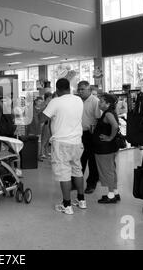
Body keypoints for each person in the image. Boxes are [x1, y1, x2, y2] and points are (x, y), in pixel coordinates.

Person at [40, 78, 85, 215]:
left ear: (57, 89)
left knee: (64, 173)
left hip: (61, 142)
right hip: (77, 141)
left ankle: (67, 205)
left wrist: (47, 105)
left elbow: (42, 118)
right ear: (69, 87)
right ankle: (81, 200)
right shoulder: (78, 100)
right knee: (77, 169)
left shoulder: (55, 101)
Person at [92, 93, 121, 204]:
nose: (99, 103)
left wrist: (110, 137)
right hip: (108, 148)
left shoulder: (108, 114)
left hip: (104, 149)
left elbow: (115, 126)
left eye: (102, 101)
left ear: (108, 103)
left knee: (106, 172)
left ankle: (110, 196)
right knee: (111, 170)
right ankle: (115, 192)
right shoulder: (109, 113)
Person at [77, 81, 101, 194]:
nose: (80, 91)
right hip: (79, 134)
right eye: (79, 89)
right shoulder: (77, 101)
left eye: (83, 89)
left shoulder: (95, 101)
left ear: (89, 90)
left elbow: (98, 118)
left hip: (91, 134)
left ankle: (91, 183)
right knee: (79, 159)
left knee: (92, 160)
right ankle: (76, 183)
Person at [40, 92, 53, 159]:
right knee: (44, 138)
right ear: (47, 98)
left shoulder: (49, 104)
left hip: (49, 122)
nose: (51, 99)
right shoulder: (44, 104)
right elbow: (42, 113)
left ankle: (46, 151)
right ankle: (42, 153)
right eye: (50, 97)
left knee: (48, 138)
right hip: (45, 123)